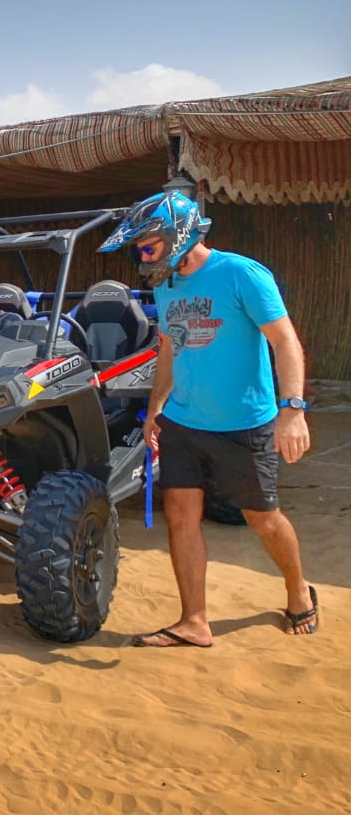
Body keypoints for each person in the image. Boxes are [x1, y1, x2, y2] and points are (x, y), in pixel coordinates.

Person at [99, 189, 317, 647]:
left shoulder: (241, 274)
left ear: (177, 233)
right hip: (183, 423)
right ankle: (194, 621)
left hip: (243, 423)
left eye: (147, 242)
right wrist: (156, 407)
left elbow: (284, 341)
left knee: (262, 517)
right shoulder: (167, 284)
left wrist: (292, 410)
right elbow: (169, 348)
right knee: (181, 516)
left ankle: (298, 590)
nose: (142, 253)